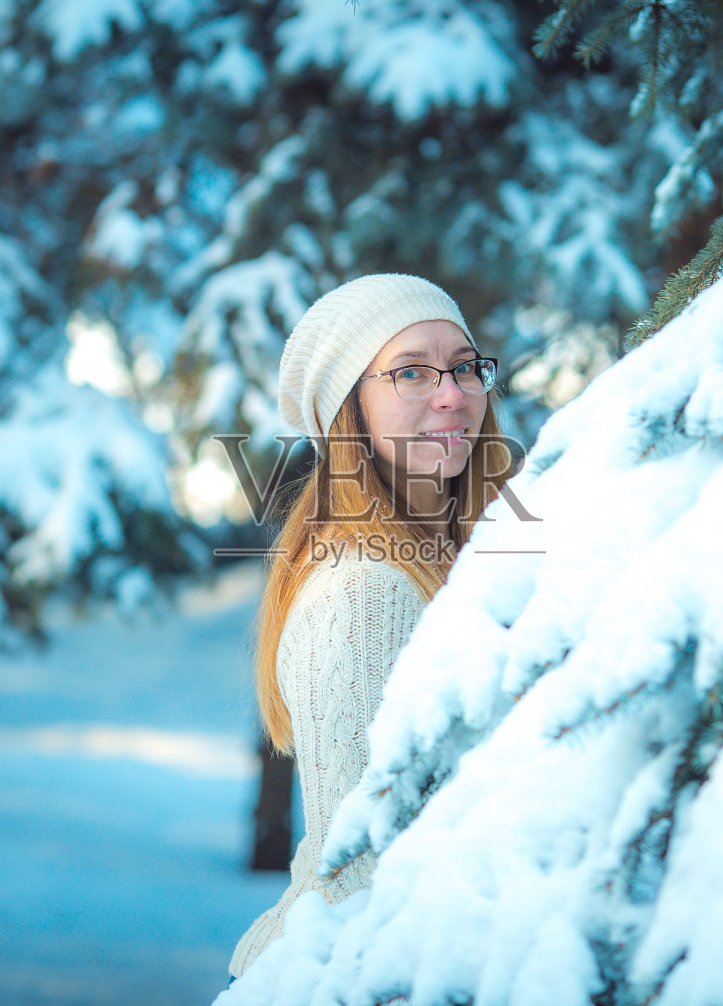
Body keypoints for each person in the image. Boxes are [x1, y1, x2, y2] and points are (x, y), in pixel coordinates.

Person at [228, 274, 513, 979]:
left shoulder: (447, 564)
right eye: (411, 372)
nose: (453, 394)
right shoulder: (364, 593)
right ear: (349, 410)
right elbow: (360, 876)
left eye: (465, 365)